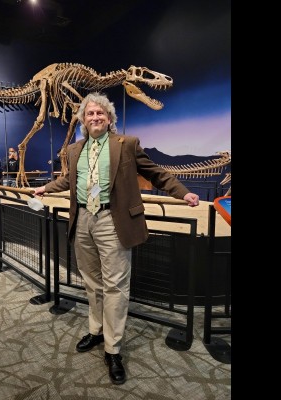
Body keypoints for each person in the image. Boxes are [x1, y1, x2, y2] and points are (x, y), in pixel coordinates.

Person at [33, 92, 199, 385]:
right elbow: (68, 180)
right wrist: (46, 188)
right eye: (89, 114)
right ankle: (96, 331)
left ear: (109, 118)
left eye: (100, 113)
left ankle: (113, 348)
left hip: (113, 219)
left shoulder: (127, 144)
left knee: (116, 286)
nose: (95, 117)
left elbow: (156, 173)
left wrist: (182, 192)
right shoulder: (74, 150)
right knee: (91, 282)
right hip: (82, 219)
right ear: (83, 120)